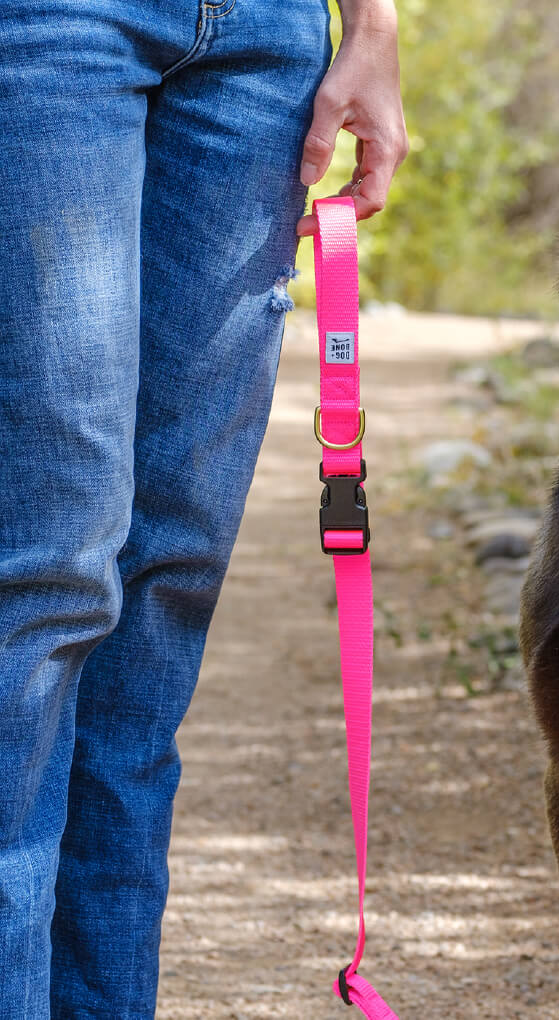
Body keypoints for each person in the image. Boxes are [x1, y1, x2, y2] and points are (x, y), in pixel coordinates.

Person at [0, 0, 407, 1015]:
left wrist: (374, 25)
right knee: (51, 565)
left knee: (172, 567)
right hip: (53, 22)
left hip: (265, 42)